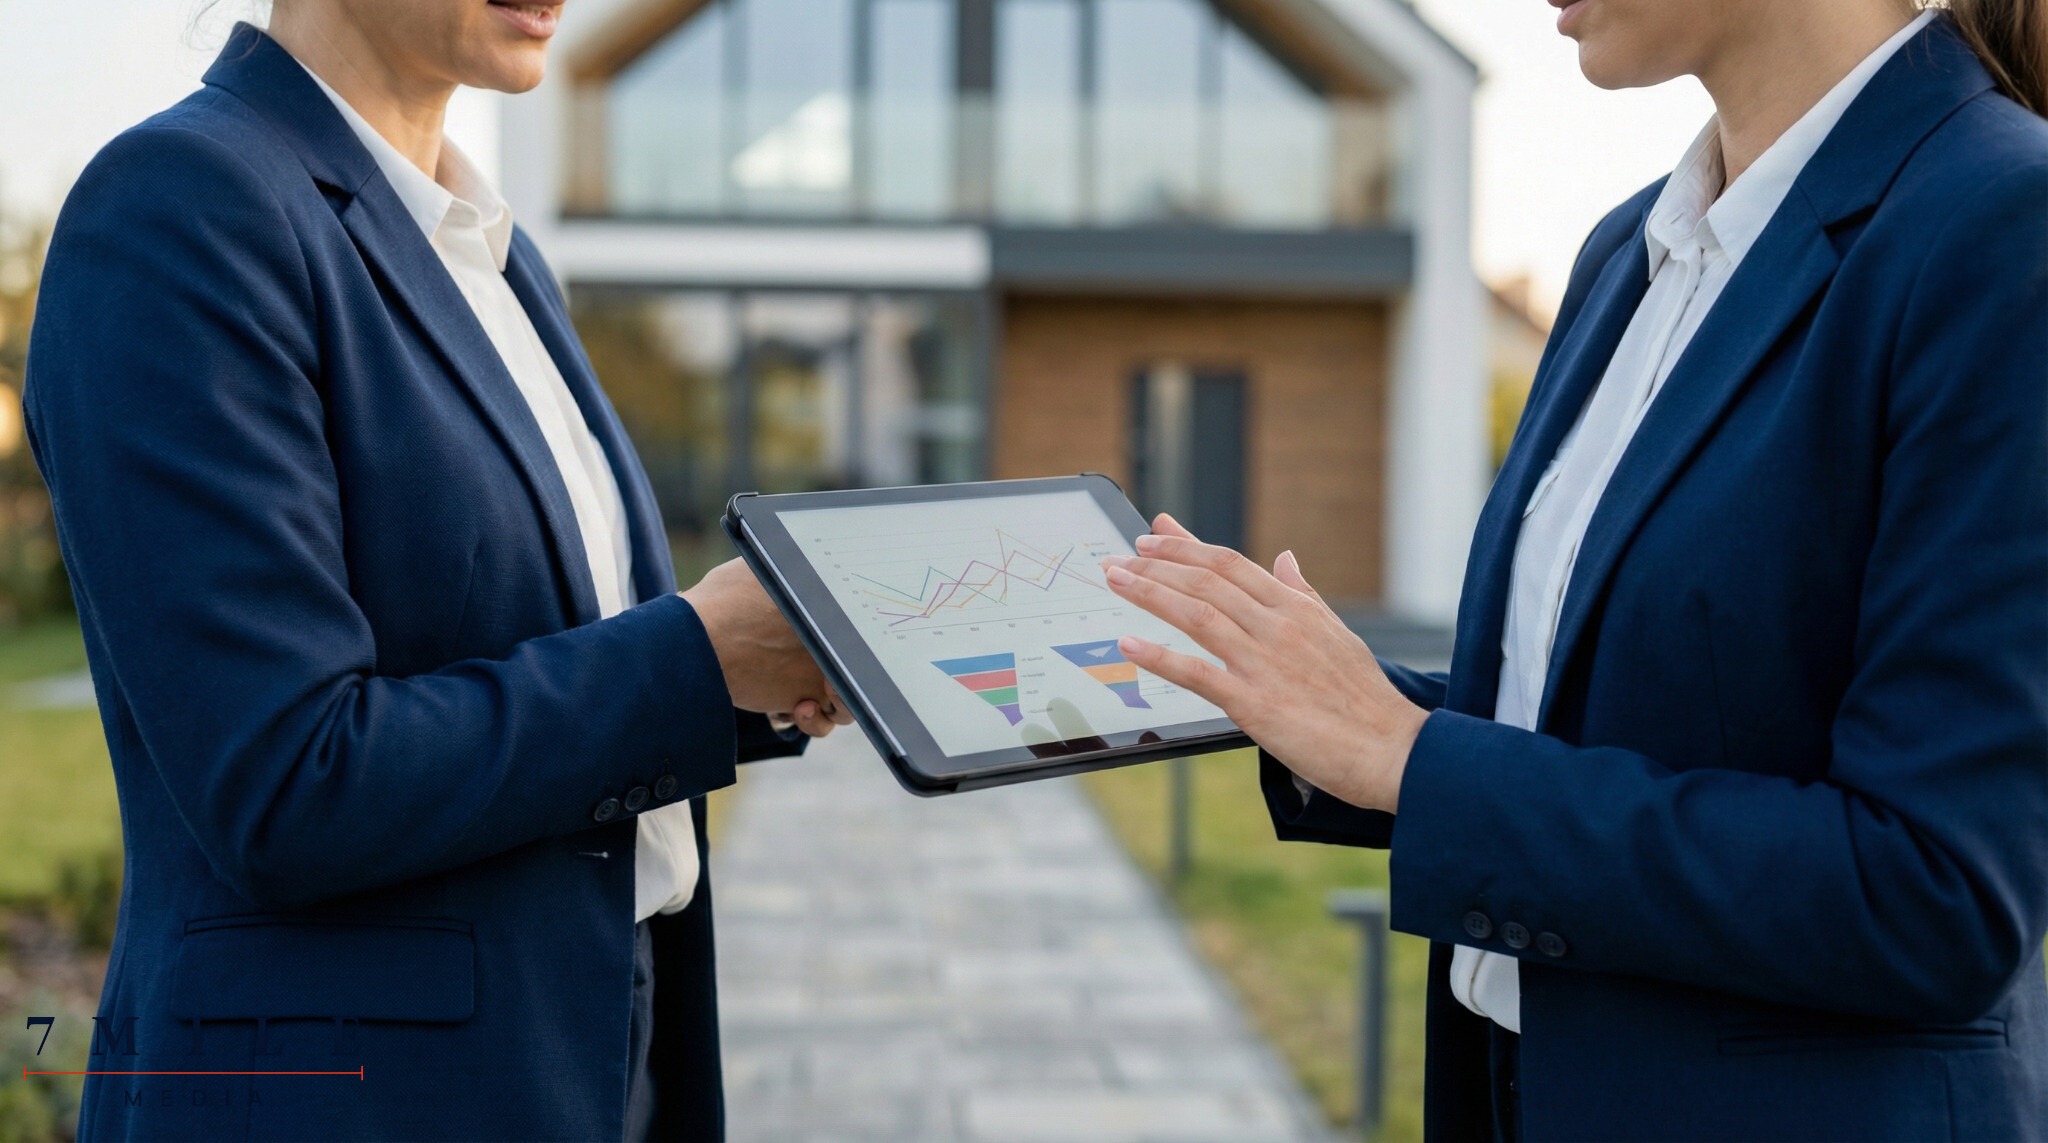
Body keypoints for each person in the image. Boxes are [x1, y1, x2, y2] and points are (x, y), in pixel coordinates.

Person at [1100, 0, 2048, 1138]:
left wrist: (1412, 763)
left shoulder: (2004, 222)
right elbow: (1621, 721)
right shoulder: (1630, 252)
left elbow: (1930, 895)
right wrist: (1295, 698)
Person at [23, 2, 852, 1139]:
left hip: (596, 1046)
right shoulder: (181, 204)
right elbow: (284, 780)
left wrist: (768, 666)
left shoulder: (497, 260)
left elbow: (549, 636)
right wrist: (695, 660)